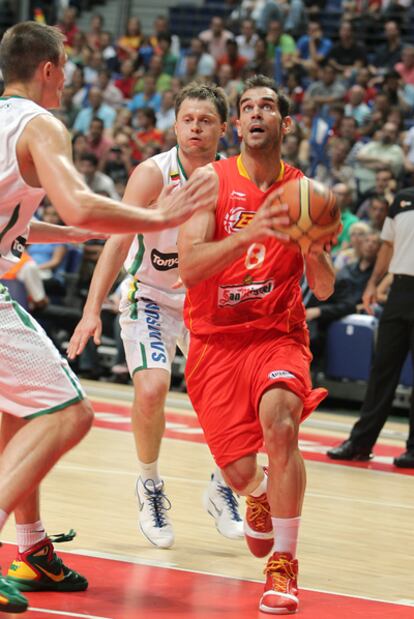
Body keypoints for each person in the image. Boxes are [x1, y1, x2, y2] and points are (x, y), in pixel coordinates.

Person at [0, 21, 215, 614]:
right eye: (63, 67)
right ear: (47, 69)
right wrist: (152, 217)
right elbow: (78, 199)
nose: (67, 79)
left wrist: (69, 232)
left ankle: (31, 547)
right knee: (71, 413)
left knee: (17, 418)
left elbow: (26, 218)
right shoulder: (40, 123)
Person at [177, 75, 338, 615]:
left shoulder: (304, 192)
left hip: (277, 335)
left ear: (284, 123)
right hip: (214, 343)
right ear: (237, 123)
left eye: (266, 106)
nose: (255, 114)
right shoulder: (210, 182)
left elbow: (324, 287)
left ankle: (284, 566)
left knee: (282, 423)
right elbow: (190, 267)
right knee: (241, 472)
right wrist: (252, 232)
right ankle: (260, 494)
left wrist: (310, 245)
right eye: (247, 107)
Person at [67, 82, 244, 550]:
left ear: (224, 129)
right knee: (152, 387)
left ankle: (223, 484)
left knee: (245, 397)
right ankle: (149, 485)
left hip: (205, 303)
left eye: (206, 121)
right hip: (148, 295)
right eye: (188, 119)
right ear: (175, 124)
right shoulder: (152, 173)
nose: (196, 128)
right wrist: (90, 311)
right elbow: (118, 240)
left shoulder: (235, 179)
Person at [327, 187, 414, 468]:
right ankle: (361, 442)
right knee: (382, 371)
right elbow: (387, 245)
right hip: (400, 289)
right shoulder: (402, 199)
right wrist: (373, 283)